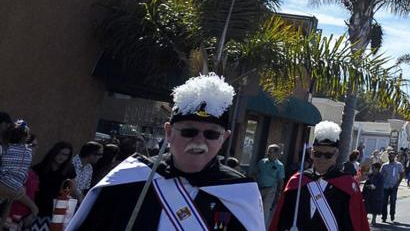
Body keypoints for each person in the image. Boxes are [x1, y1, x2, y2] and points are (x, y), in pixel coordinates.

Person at [67, 73, 265, 230]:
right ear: (169, 132)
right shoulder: (130, 178)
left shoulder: (239, 191)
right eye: (189, 131)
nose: (199, 141)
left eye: (211, 134)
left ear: (225, 138)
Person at [268, 121, 369, 231]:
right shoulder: (297, 180)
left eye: (328, 155)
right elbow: (282, 217)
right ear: (311, 153)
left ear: (336, 155)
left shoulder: (348, 185)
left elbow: (354, 223)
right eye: (317, 154)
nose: (322, 159)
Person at [30, 141, 76, 230]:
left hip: (58, 212)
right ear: (54, 152)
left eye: (65, 155)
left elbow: (72, 188)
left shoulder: (69, 169)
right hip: (38, 210)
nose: (62, 157)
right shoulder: (39, 168)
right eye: (59, 153)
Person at [0, 120, 38, 220]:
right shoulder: (28, 152)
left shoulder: (4, 148)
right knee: (7, 204)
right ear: (25, 137)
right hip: (17, 186)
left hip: (4, 181)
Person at [252, 144, 285, 223]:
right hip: (259, 188)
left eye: (270, 152)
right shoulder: (262, 162)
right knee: (255, 208)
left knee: (265, 211)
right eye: (268, 151)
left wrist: (279, 193)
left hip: (270, 190)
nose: (268, 153)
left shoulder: (280, 166)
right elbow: (255, 174)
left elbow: (280, 180)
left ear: (276, 154)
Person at [379, 151, 403, 223]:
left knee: (393, 201)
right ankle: (384, 216)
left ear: (395, 157)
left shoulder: (398, 165)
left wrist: (398, 183)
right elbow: (380, 175)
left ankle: (392, 215)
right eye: (390, 156)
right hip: (385, 186)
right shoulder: (384, 165)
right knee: (384, 202)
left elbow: (401, 174)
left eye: (392, 156)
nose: (391, 157)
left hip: (393, 186)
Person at [362, 162, 385, 226]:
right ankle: (364, 220)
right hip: (369, 194)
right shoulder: (370, 175)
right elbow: (366, 184)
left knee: (375, 209)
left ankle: (373, 220)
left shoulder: (380, 177)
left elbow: (375, 186)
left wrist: (369, 186)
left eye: (374, 168)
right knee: (366, 208)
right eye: (372, 168)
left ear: (378, 169)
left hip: (377, 195)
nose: (373, 169)